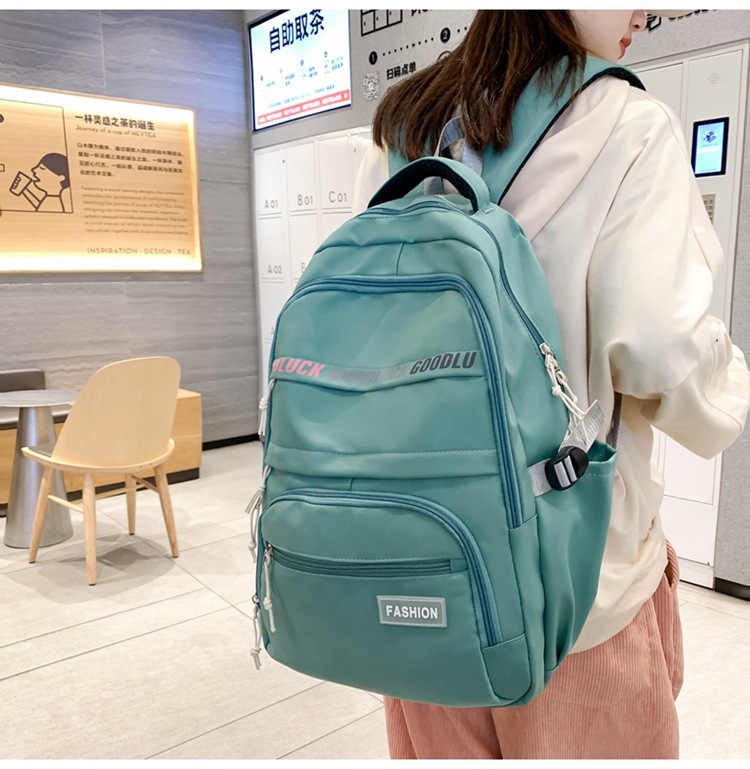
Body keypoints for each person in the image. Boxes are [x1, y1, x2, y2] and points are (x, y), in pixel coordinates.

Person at [352, 10, 750, 760]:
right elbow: (664, 348)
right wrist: (730, 391)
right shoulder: (628, 125)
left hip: (422, 573)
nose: (644, 12)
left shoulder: (404, 125)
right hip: (572, 594)